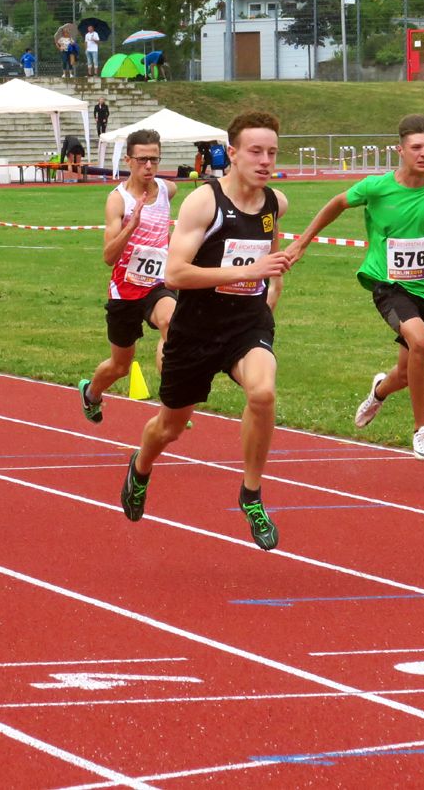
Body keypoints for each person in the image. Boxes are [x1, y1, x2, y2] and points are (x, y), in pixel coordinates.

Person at [119, 111, 290, 551]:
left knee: (263, 393)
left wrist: (270, 290)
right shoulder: (204, 203)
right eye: (255, 151)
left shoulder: (275, 203)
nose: (265, 160)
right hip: (195, 329)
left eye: (272, 152)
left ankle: (251, 493)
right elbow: (174, 273)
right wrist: (248, 271)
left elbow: (271, 259)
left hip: (246, 324)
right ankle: (141, 466)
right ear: (232, 153)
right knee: (170, 427)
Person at [288, 114, 424, 462]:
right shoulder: (376, 187)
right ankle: (422, 430)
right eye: (416, 147)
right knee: (420, 342)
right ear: (400, 149)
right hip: (388, 284)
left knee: (406, 374)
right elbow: (337, 203)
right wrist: (303, 241)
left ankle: (378, 392)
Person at [78, 129, 179, 423]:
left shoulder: (167, 190)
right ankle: (91, 393)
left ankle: (173, 402)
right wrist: (131, 226)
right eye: (142, 160)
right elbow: (108, 256)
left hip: (158, 284)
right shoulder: (117, 200)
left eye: (154, 159)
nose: (149, 166)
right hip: (125, 290)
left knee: (171, 323)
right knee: (120, 366)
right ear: (128, 160)